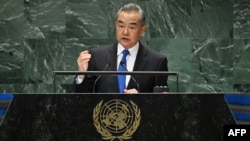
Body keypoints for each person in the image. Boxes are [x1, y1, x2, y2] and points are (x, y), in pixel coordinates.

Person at [73, 2, 168, 94]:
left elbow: (162, 103)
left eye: (131, 27)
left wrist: (142, 99)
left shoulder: (156, 62)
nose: (125, 32)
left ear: (142, 30)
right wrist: (81, 75)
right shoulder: (97, 56)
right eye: (121, 26)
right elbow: (83, 99)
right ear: (115, 26)